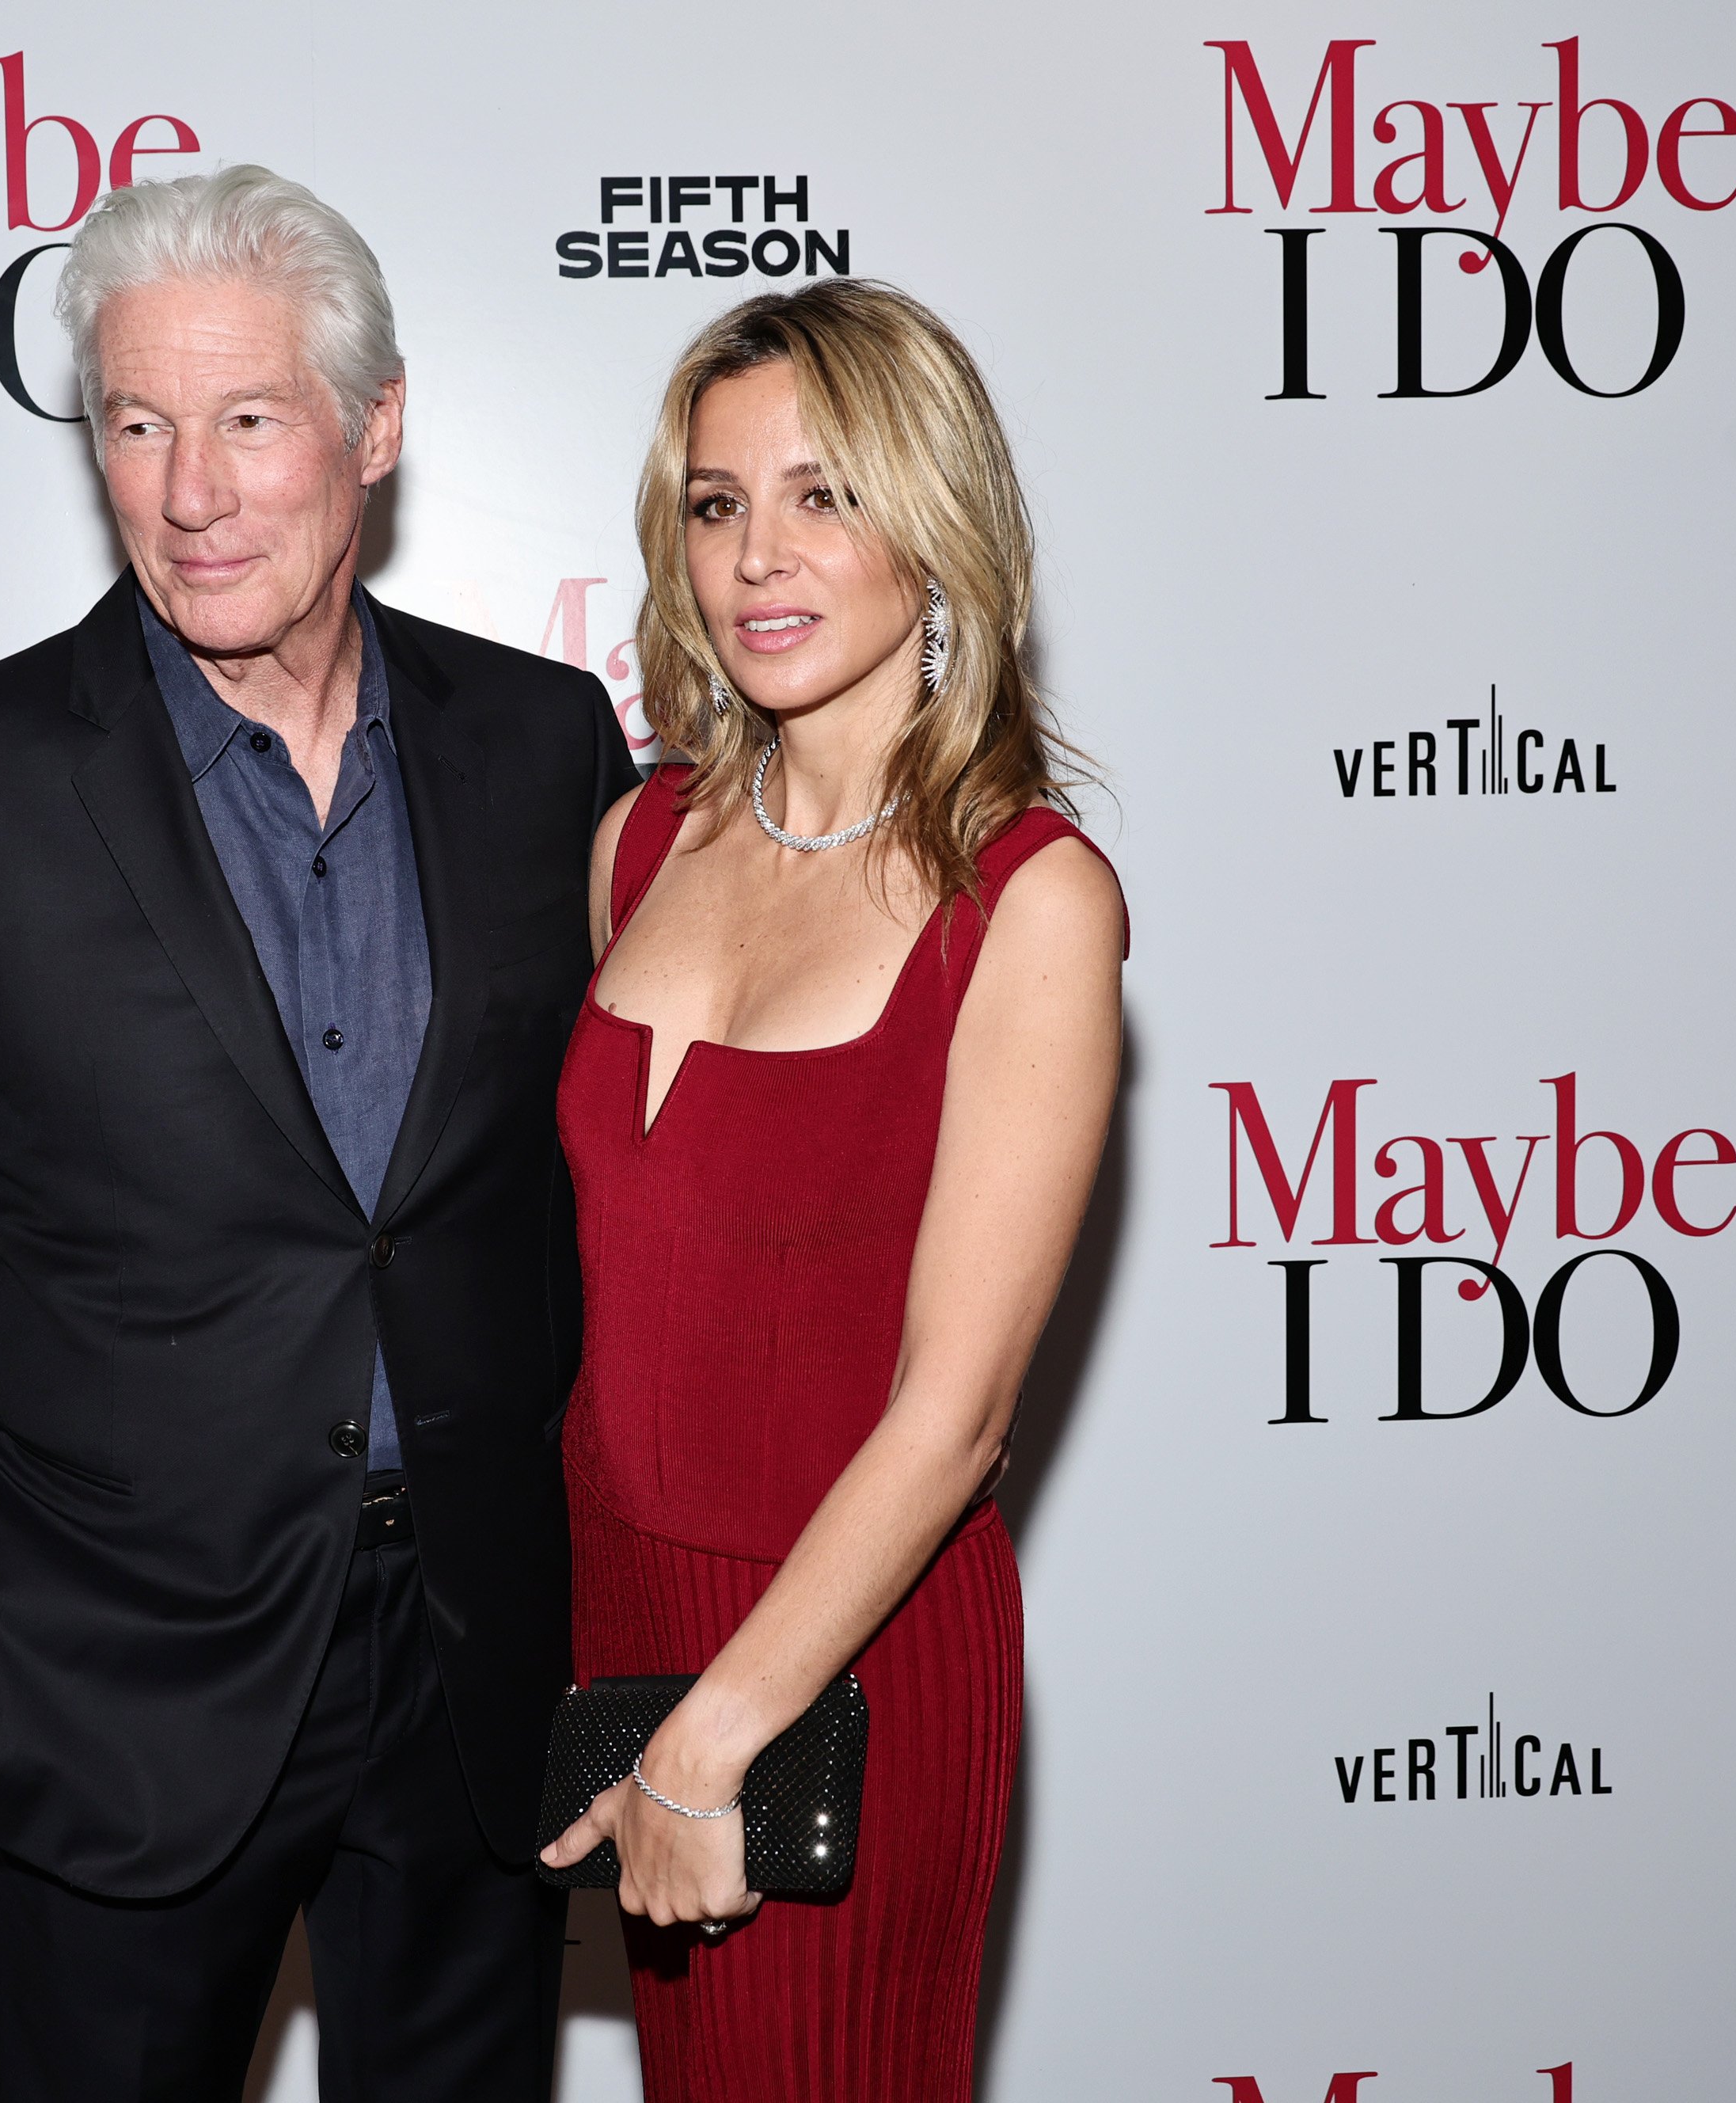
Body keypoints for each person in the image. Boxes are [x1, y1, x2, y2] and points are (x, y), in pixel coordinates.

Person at [0, 164, 633, 2102]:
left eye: (248, 420)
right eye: (138, 425)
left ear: (375, 428)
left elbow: (608, 1206)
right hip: (119, 1707)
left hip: (477, 1679)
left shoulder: (547, 748)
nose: (188, 492)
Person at [538, 280, 1126, 2100]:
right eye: (717, 505)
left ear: (933, 528)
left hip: (843, 1653)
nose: (758, 556)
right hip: (628, 1627)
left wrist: (716, 1740)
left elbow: (952, 1419)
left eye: (823, 494)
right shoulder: (641, 838)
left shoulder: (1028, 900)